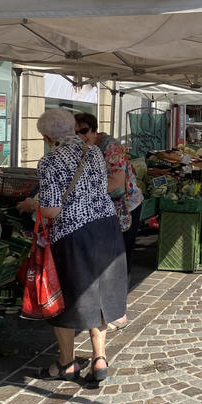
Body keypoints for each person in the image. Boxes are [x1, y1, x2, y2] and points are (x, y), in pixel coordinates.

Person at [33, 108, 126, 383]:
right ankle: (99, 358)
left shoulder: (50, 161)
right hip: (106, 228)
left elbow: (50, 211)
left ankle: (67, 363)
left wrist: (32, 204)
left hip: (74, 234)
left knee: (66, 297)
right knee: (99, 293)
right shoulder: (94, 152)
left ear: (48, 137)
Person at [73, 113, 143, 283]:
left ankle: (120, 293)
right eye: (76, 133)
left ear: (94, 129)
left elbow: (117, 182)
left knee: (121, 251)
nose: (81, 136)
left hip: (126, 204)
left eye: (84, 131)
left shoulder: (110, 146)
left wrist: (83, 192)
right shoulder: (83, 148)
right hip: (105, 204)